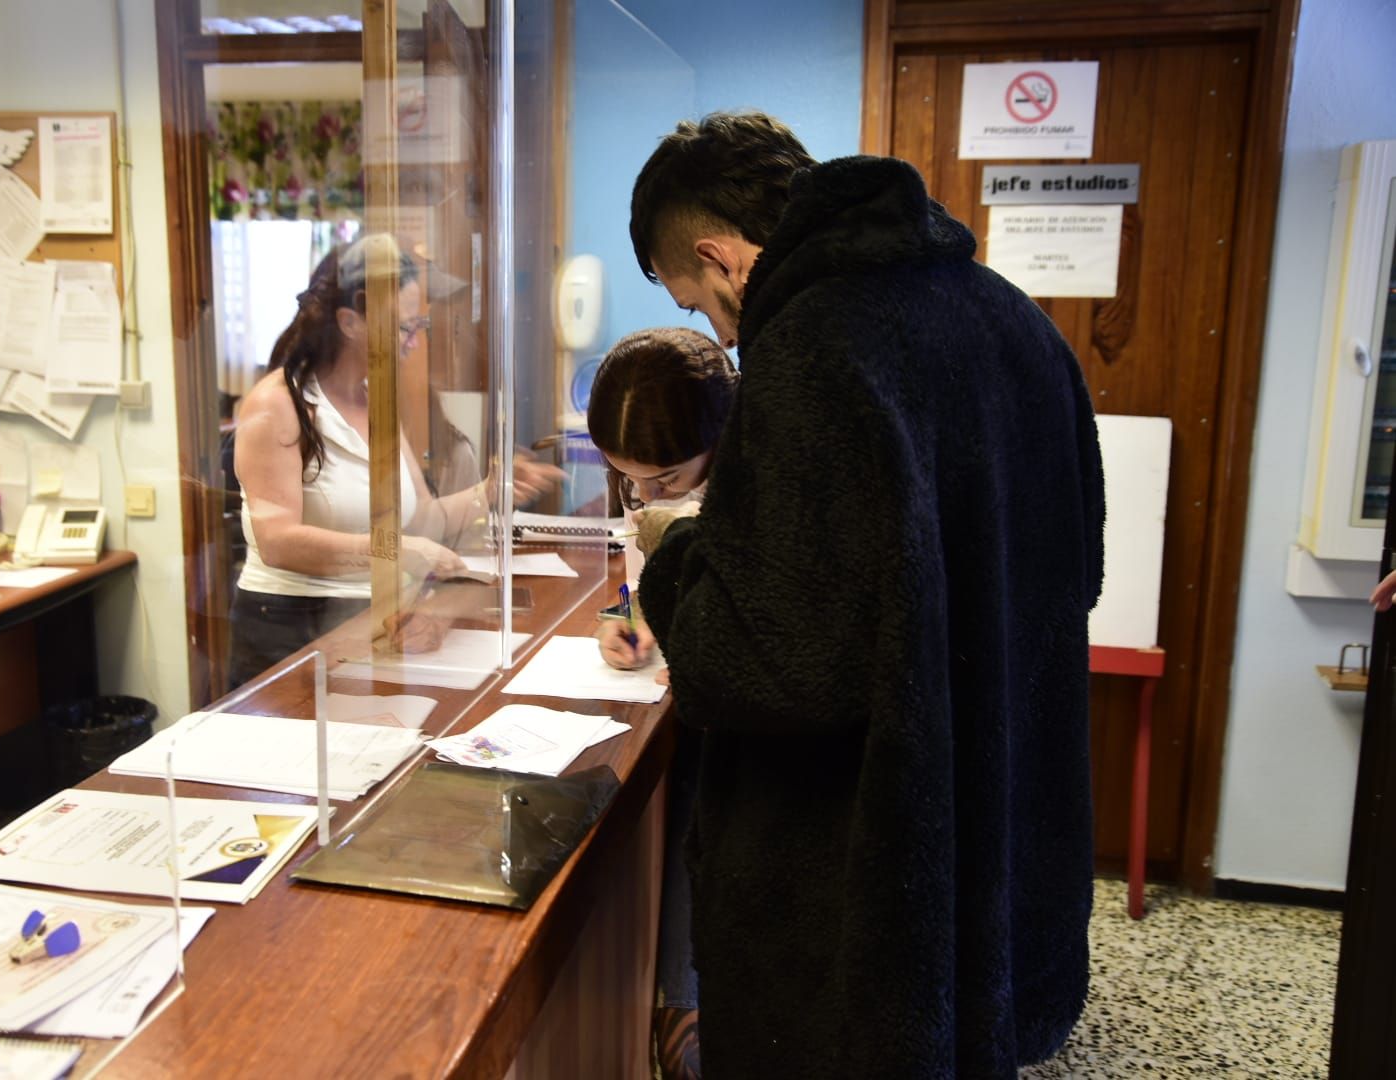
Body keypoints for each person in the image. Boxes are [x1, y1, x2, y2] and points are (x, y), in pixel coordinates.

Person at [626, 112, 1106, 1077]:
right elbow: (1078, 562)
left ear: (721, 259)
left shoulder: (810, 351)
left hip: (867, 883)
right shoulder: (1016, 319)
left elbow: (770, 665)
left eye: (699, 305)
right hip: (1005, 821)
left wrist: (674, 551)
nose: (719, 332)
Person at [228, 235, 561, 688]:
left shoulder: (378, 401)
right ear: (350, 322)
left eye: (418, 324)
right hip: (289, 627)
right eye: (405, 327)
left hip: (367, 620)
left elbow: (420, 519)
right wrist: (395, 550)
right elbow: (277, 541)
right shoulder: (277, 406)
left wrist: (491, 490)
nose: (415, 342)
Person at [585, 326, 737, 1079]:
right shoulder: (654, 488)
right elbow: (635, 578)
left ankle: (684, 1014)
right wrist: (628, 621)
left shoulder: (756, 495)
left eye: (666, 478)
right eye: (627, 479)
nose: (646, 495)